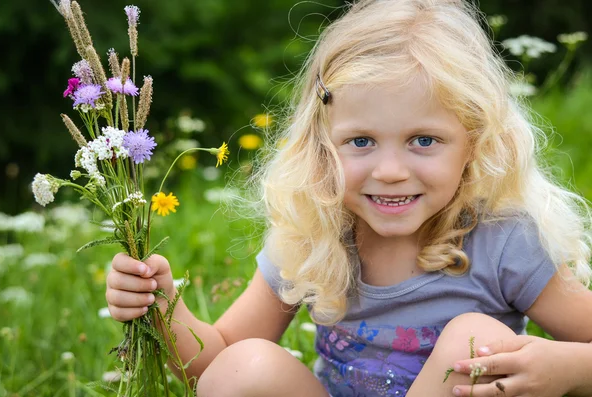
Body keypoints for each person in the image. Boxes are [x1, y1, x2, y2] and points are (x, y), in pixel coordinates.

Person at [105, 0, 592, 396]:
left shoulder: (504, 239)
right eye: (361, 142)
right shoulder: (315, 235)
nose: (390, 172)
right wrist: (161, 305)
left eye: (424, 140)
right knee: (245, 367)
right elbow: (215, 367)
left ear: (474, 141)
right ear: (323, 145)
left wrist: (567, 366)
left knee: (477, 342)